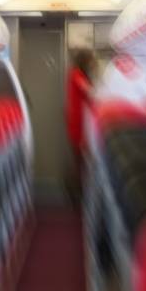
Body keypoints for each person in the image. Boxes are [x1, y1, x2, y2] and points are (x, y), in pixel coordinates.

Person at [65, 47, 97, 203]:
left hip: (83, 124)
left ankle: (78, 193)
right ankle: (75, 194)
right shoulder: (76, 74)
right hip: (79, 125)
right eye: (91, 61)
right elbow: (90, 93)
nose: (92, 64)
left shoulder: (79, 75)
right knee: (79, 162)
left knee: (81, 162)